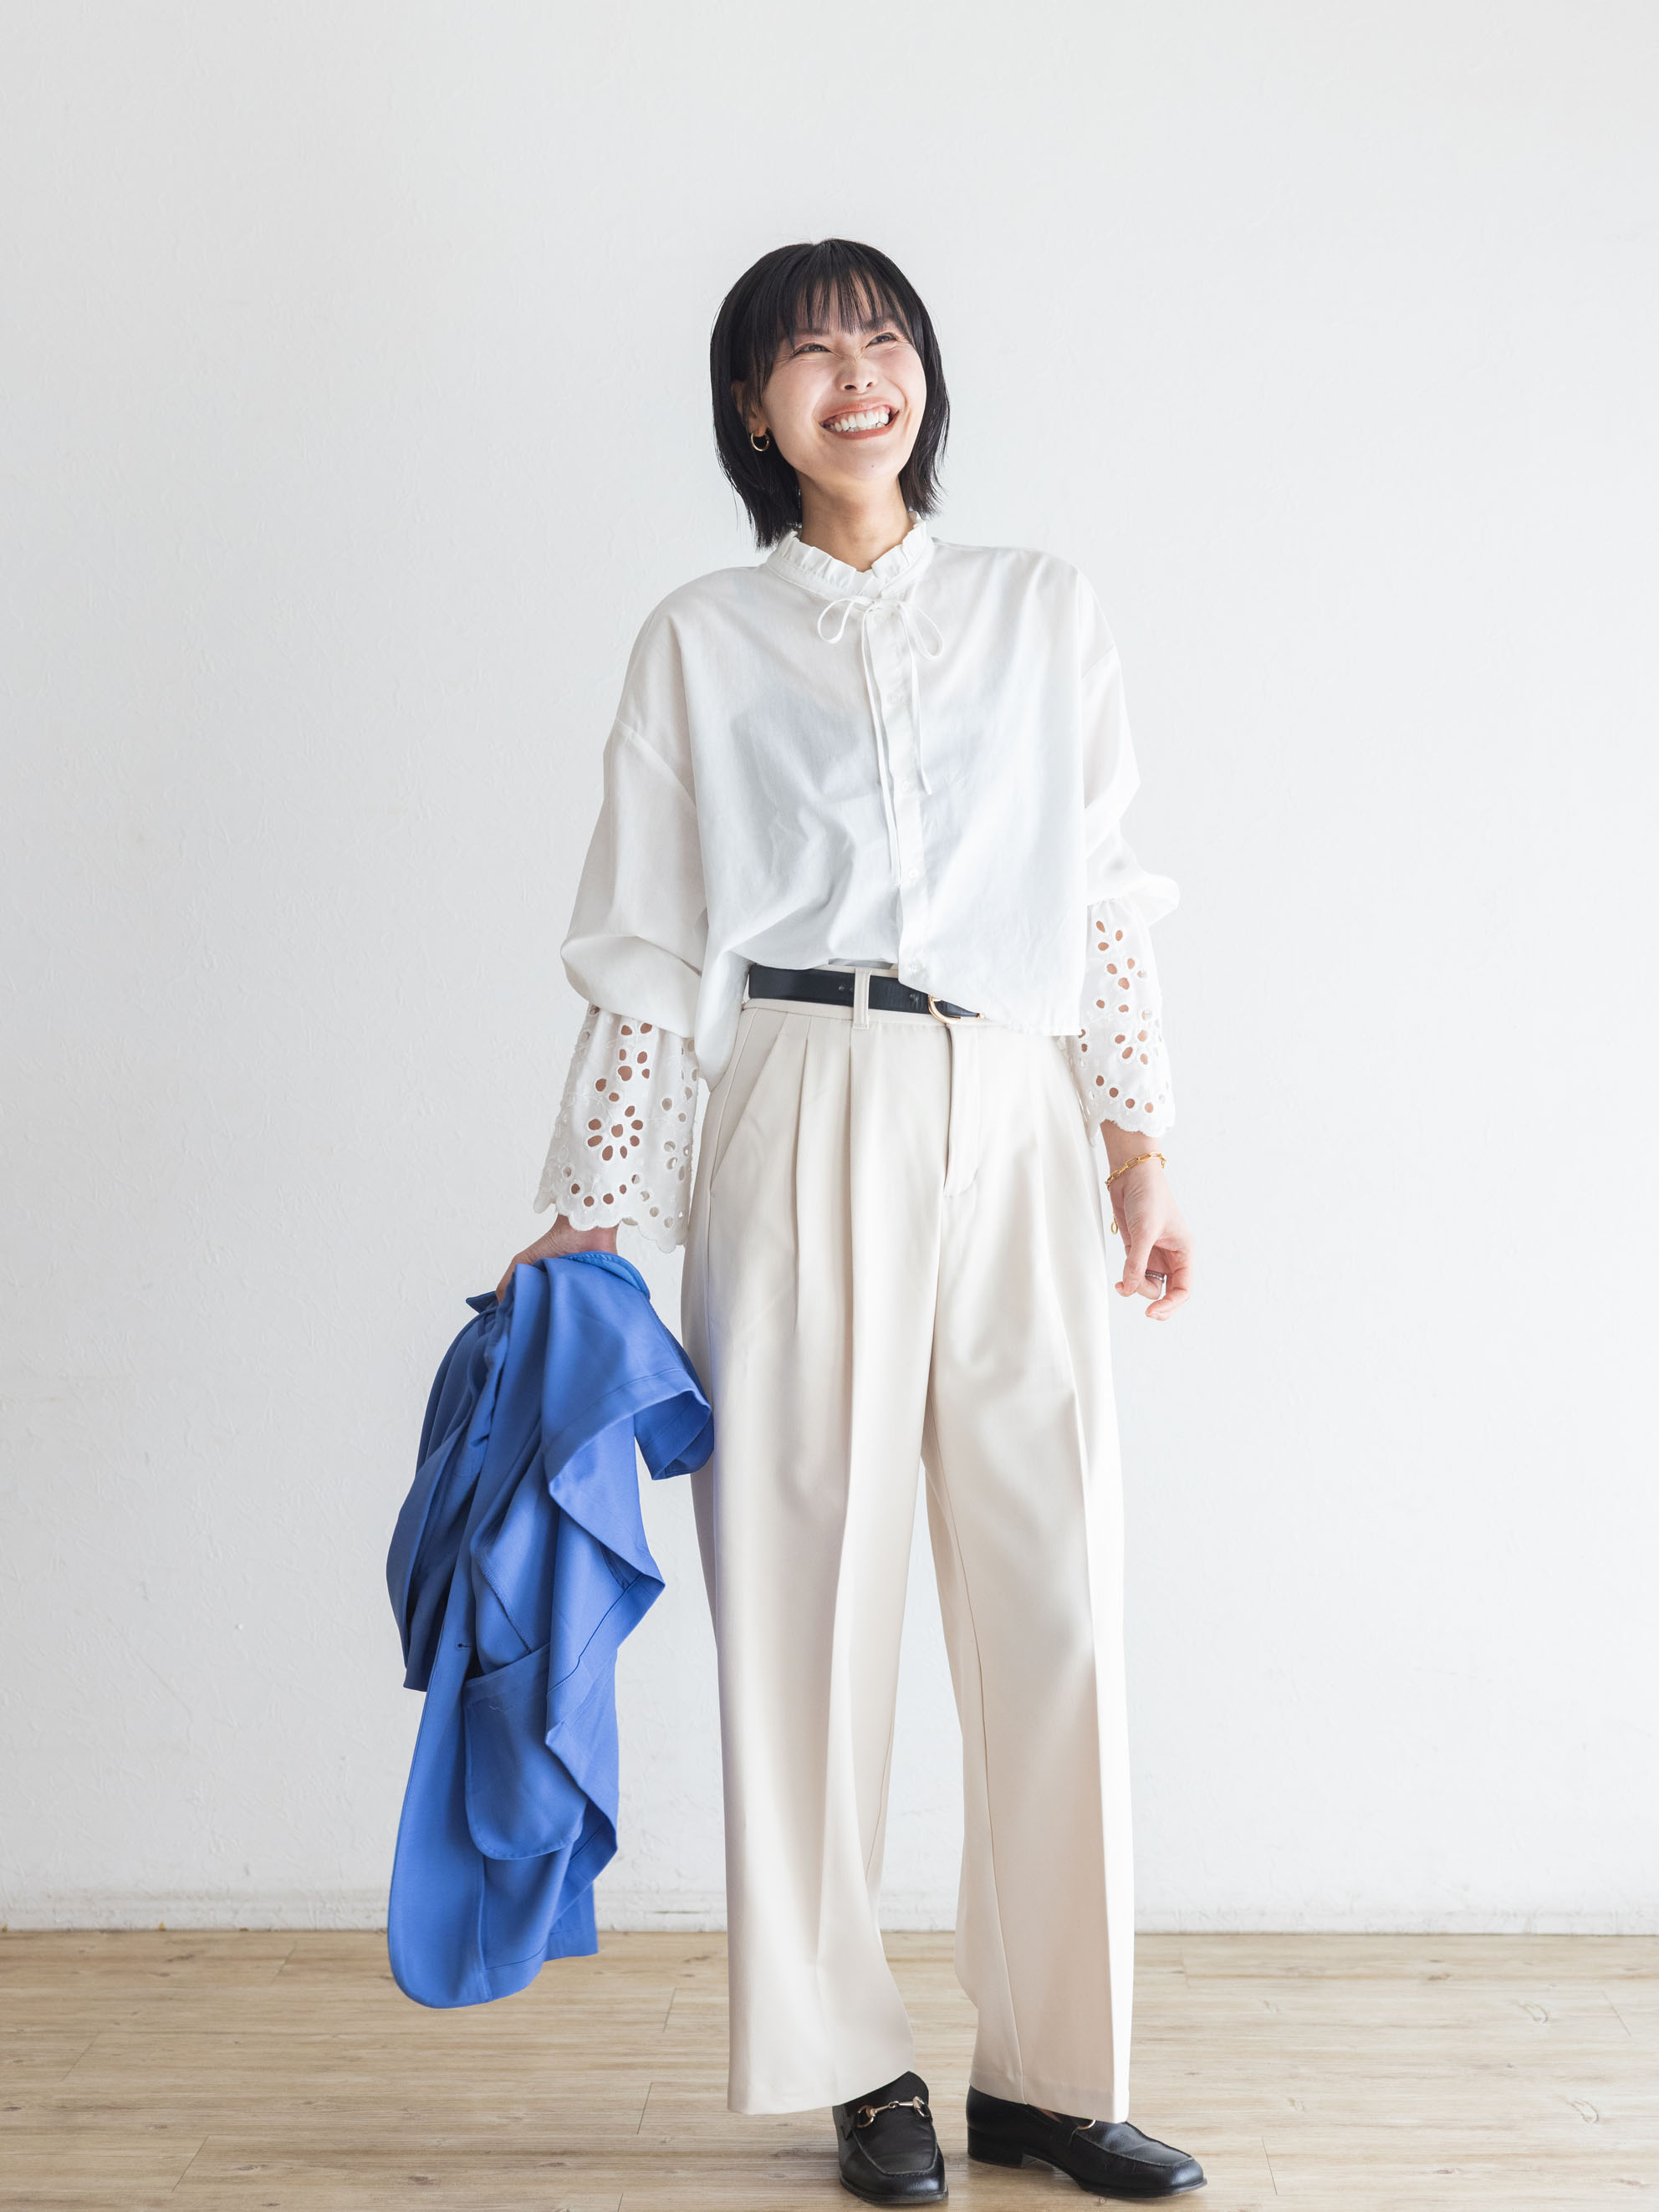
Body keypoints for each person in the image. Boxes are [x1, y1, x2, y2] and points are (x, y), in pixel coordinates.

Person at [498, 238, 1203, 2203]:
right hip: (801, 1092)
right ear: (752, 410)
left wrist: (1138, 1147)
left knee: (1055, 1597)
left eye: (878, 339)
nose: (851, 375)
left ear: (922, 377)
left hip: (1016, 1102)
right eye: (804, 354)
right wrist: (596, 1210)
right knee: (803, 1593)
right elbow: (650, 946)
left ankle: (1054, 2073)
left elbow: (1098, 894)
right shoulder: (700, 642)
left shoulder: (1042, 610)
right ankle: (848, 2065)